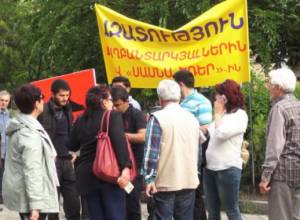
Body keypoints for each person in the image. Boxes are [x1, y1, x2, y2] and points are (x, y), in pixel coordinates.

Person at [68, 85, 132, 220]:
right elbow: (119, 143)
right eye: (110, 99)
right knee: (115, 215)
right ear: (104, 102)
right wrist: (126, 167)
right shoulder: (111, 116)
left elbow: (72, 145)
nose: (112, 103)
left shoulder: (80, 119)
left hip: (86, 175)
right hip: (108, 173)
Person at [141, 79, 200, 220]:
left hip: (165, 181)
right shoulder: (192, 118)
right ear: (179, 97)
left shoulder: (157, 118)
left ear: (160, 99)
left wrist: (149, 178)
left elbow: (151, 152)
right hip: (188, 179)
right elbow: (198, 150)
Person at [2, 84, 59, 220]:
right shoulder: (29, 134)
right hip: (32, 199)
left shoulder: (26, 125)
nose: (43, 101)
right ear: (36, 103)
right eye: (42, 97)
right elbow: (32, 170)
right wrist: (35, 207)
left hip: (28, 194)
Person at [201, 79, 248, 220]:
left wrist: (217, 114)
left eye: (217, 96)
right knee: (212, 212)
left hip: (228, 169)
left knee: (231, 210)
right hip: (210, 169)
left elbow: (221, 134)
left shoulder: (240, 115)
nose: (214, 99)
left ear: (225, 98)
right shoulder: (222, 115)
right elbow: (206, 133)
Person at [259, 68, 300, 220]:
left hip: (283, 175)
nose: (269, 87)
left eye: (271, 84)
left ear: (279, 88)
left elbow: (274, 147)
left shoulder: (279, 108)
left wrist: (265, 177)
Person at [38, 79, 80, 220]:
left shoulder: (69, 110)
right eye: (61, 95)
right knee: (52, 207)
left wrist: (75, 151)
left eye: (67, 95)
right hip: (51, 162)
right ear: (53, 94)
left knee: (73, 204)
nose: (65, 98)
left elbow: (71, 133)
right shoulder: (42, 111)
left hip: (68, 161)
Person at [173, 70, 212, 220]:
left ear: (181, 84)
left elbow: (205, 129)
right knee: (185, 196)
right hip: (180, 155)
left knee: (194, 193)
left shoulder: (202, 102)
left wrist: (183, 130)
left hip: (193, 156)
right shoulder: (181, 103)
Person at [111, 86, 147, 220]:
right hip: (115, 165)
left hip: (134, 165)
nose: (115, 108)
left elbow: (143, 136)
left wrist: (120, 136)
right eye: (113, 105)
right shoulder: (111, 115)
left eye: (118, 105)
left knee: (131, 202)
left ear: (126, 101)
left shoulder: (136, 114)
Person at [0, 90, 11, 204]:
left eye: (6, 101)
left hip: (7, 151)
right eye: (2, 100)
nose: (3, 103)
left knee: (4, 175)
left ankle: (2, 196)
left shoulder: (10, 115)